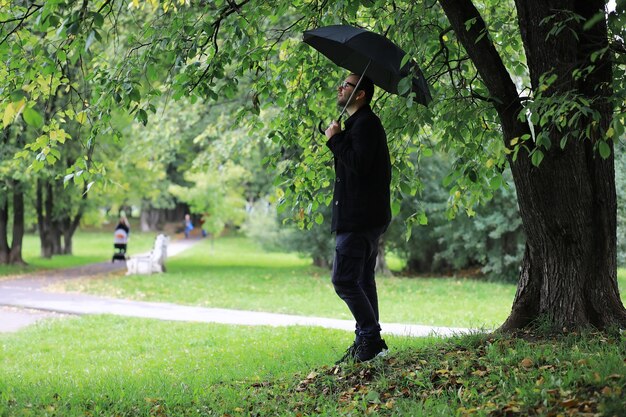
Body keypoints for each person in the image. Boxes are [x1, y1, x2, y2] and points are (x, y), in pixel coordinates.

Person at [324, 73, 392, 363]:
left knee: (343, 280)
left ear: (361, 94)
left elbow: (360, 166)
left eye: (347, 85)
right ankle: (365, 342)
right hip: (364, 216)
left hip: (359, 217)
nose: (340, 87)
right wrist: (339, 137)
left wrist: (336, 140)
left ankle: (370, 337)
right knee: (363, 280)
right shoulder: (359, 125)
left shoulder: (365, 125)